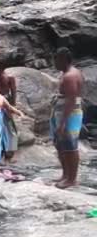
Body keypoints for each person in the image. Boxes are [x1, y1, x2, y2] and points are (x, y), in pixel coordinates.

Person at [50, 47, 84, 189]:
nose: (54, 62)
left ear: (63, 59)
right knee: (60, 144)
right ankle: (65, 175)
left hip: (69, 114)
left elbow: (71, 100)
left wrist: (63, 123)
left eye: (56, 59)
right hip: (60, 112)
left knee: (70, 146)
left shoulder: (71, 76)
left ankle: (72, 179)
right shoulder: (65, 73)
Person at [0, 62, 19, 163]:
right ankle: (2, 151)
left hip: (5, 101)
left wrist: (13, 104)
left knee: (10, 126)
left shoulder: (9, 78)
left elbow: (13, 91)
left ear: (0, 67)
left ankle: (11, 151)